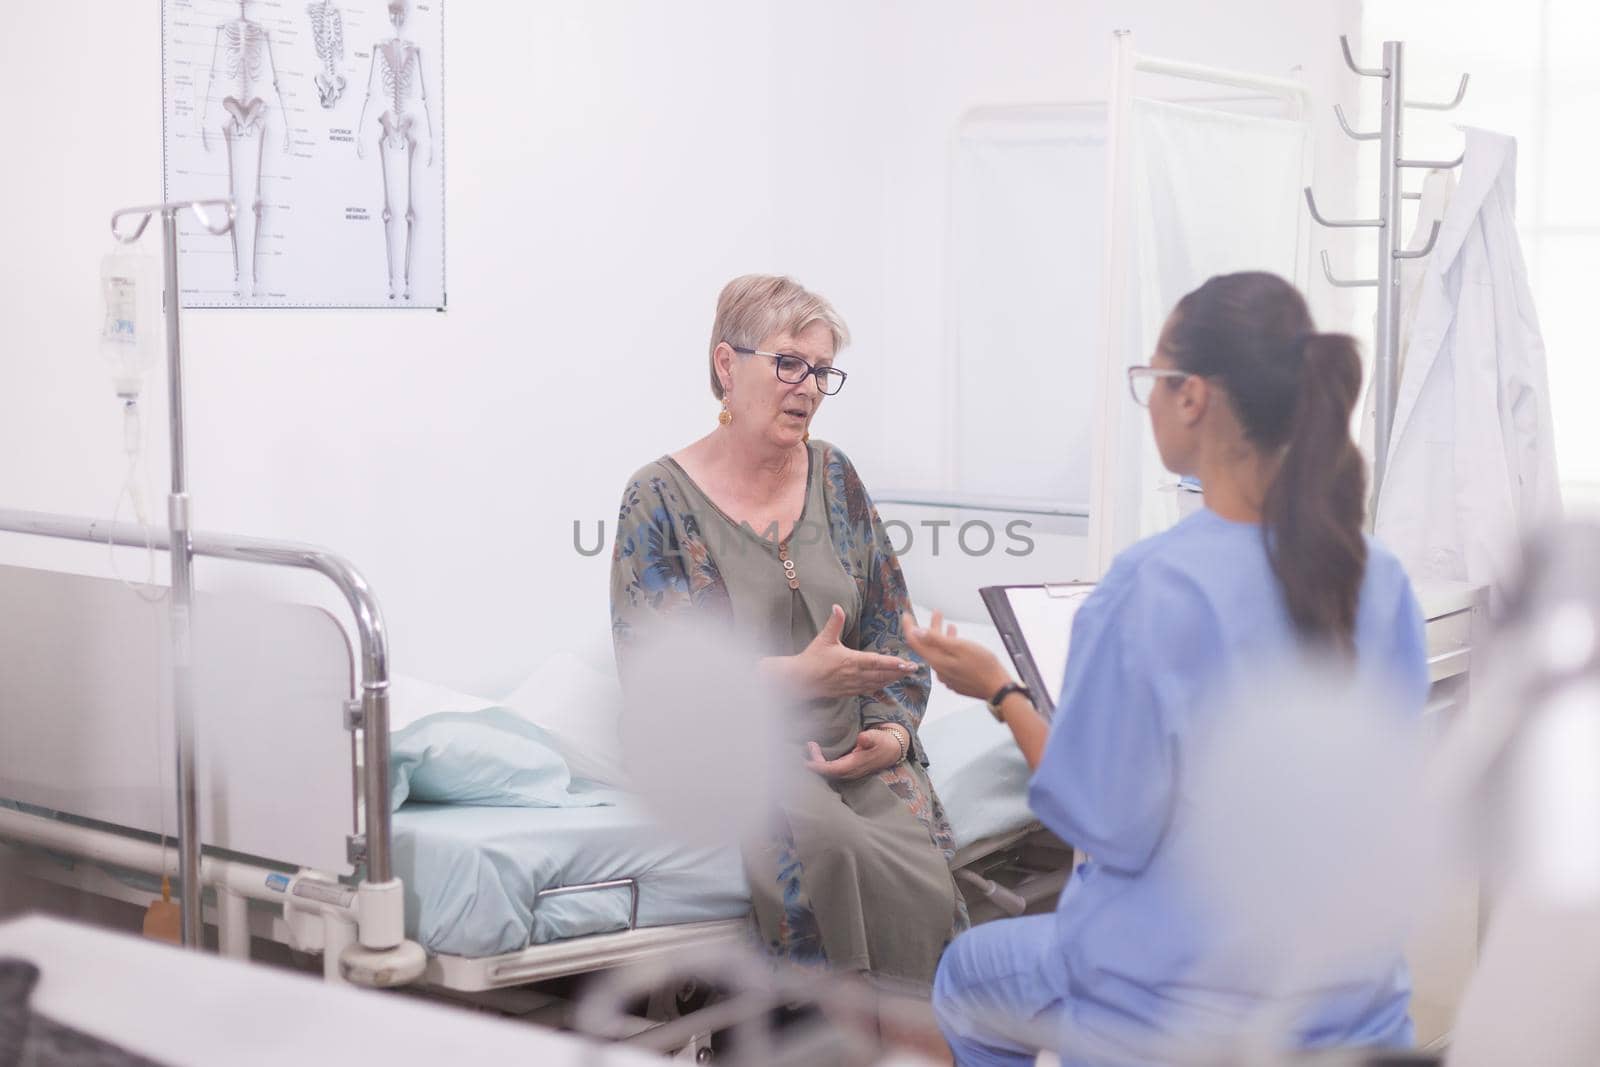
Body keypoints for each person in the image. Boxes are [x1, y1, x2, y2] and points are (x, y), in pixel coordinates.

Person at [908, 272, 1430, 1064]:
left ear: (1193, 398)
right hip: (1354, 1005)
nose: (1146, 399)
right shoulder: (1379, 578)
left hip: (1179, 1019)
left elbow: (1101, 818)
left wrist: (999, 691)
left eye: (1151, 379)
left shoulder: (1152, 587)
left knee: (967, 975)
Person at [609, 274, 966, 987]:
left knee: (919, 862)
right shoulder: (657, 497)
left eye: (822, 370)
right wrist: (791, 677)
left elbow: (894, 629)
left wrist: (891, 735)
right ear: (725, 365)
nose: (807, 386)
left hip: (856, 752)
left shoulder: (836, 479)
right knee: (826, 850)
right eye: (788, 363)